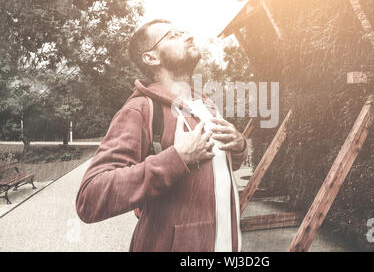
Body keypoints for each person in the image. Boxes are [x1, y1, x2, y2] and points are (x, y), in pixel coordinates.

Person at [75, 19, 248, 252]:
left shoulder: (207, 106)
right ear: (151, 58)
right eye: (173, 35)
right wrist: (177, 158)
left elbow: (216, 170)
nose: (187, 35)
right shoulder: (140, 110)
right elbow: (89, 199)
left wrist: (238, 146)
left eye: (183, 31)